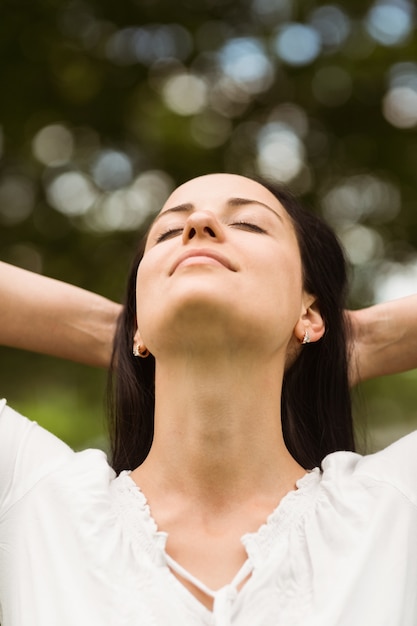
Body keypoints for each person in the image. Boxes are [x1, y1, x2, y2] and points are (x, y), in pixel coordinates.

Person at [0, 173, 416, 625]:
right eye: (167, 232)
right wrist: (122, 331)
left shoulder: (393, 507)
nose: (198, 224)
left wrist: (370, 339)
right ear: (137, 321)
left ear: (310, 313)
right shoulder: (33, 499)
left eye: (250, 225)